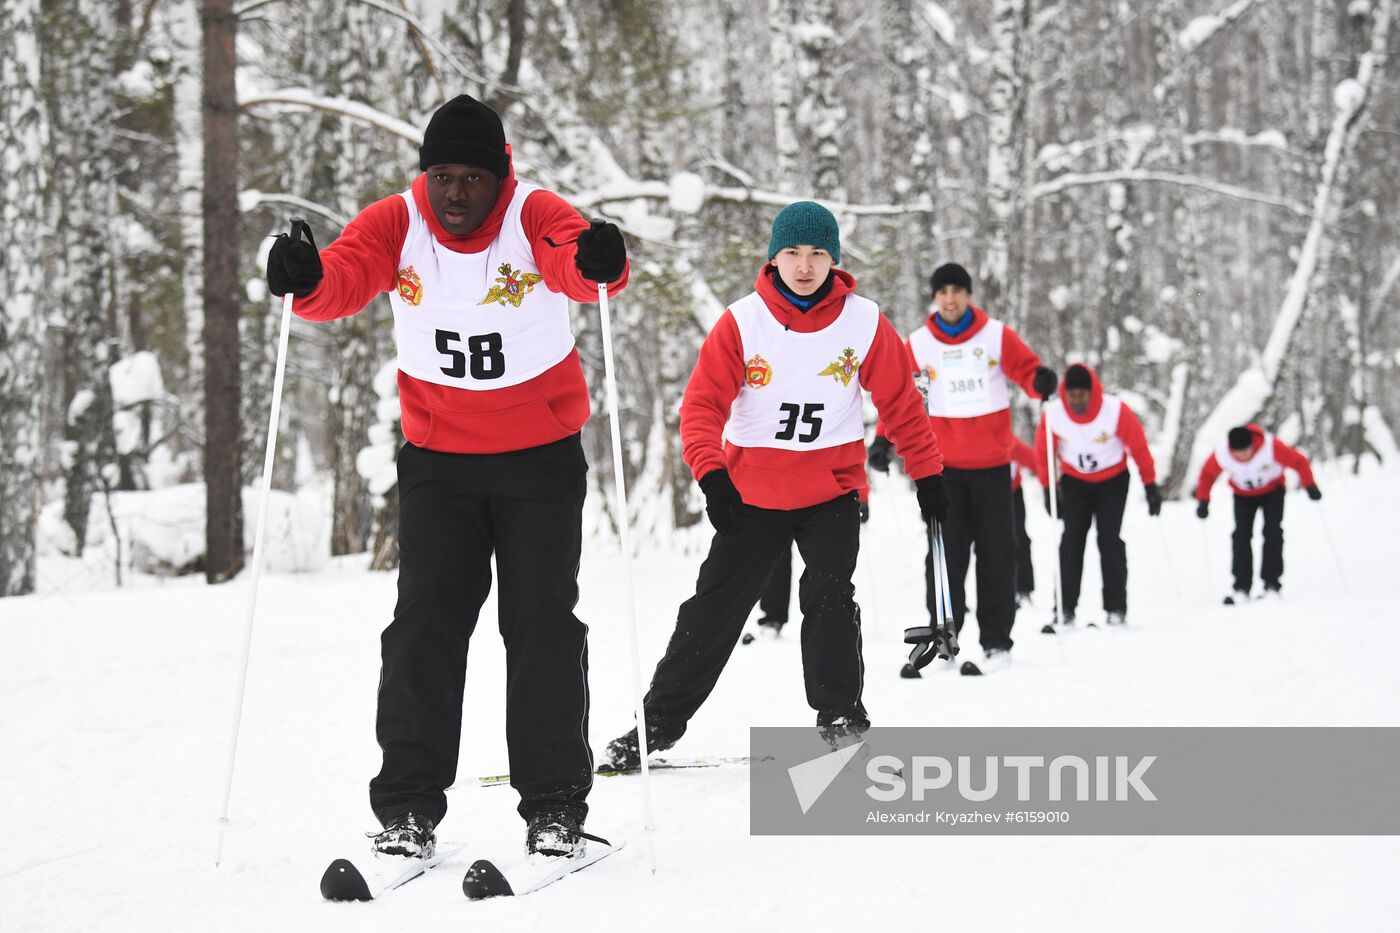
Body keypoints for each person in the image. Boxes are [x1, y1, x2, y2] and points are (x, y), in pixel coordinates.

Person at [264, 94, 629, 861]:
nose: (456, 193)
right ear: (423, 176)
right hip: (439, 465)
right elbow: (342, 280)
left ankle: (555, 807)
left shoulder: (532, 212)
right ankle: (406, 808)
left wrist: (600, 259)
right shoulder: (398, 221)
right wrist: (303, 275)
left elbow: (578, 263)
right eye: (441, 176)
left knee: (540, 627)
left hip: (538, 461)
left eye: (471, 177)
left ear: (500, 176)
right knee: (424, 629)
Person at [604, 202, 948, 767]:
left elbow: (902, 404)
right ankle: (655, 728)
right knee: (711, 613)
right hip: (750, 495)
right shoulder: (742, 322)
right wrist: (711, 475)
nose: (805, 265)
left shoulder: (864, 321)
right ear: (774, 257)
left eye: (817, 254)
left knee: (830, 595)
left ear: (833, 260)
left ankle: (840, 716)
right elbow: (701, 408)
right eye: (792, 253)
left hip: (830, 490)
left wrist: (929, 474)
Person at [869, 262, 1057, 674]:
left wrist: (1039, 380)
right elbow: (901, 396)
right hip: (943, 469)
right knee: (944, 555)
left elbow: (1026, 370)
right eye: (943, 292)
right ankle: (944, 636)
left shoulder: (994, 335)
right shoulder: (917, 343)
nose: (950, 299)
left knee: (997, 554)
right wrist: (883, 439)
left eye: (957, 291)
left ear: (969, 295)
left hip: (992, 467)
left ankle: (996, 642)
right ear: (934, 298)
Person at [1034, 363, 1160, 626]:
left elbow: (1138, 446)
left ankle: (1116, 608)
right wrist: (1049, 488)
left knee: (1109, 540)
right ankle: (1064, 609)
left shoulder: (1114, 411)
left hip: (1112, 481)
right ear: (1065, 394)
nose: (1077, 401)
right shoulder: (1054, 413)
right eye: (1072, 395)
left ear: (1092, 393)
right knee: (1071, 542)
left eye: (1082, 395)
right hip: (1075, 482)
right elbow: (1044, 453)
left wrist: (1150, 485)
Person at [1194, 423, 1319, 603]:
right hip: (1243, 495)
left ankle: (1272, 585)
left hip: (1273, 490)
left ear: (1253, 444)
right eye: (1239, 453)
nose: (1244, 456)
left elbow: (1299, 462)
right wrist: (1203, 501)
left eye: (1247, 451)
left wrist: (1310, 485)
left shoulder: (1270, 447)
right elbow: (1207, 475)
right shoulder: (1222, 453)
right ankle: (1241, 587)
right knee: (1241, 535)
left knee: (1273, 532)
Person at [754, 488, 868, 635]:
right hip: (777, 492)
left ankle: (827, 630)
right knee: (776, 555)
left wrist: (862, 497)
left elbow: (853, 466)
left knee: (826, 572)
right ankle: (773, 616)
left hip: (824, 500)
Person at [1009, 435, 1041, 605]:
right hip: (980, 494)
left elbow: (1036, 461)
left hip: (1012, 494)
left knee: (1019, 537)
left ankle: (1024, 588)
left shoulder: (1010, 442)